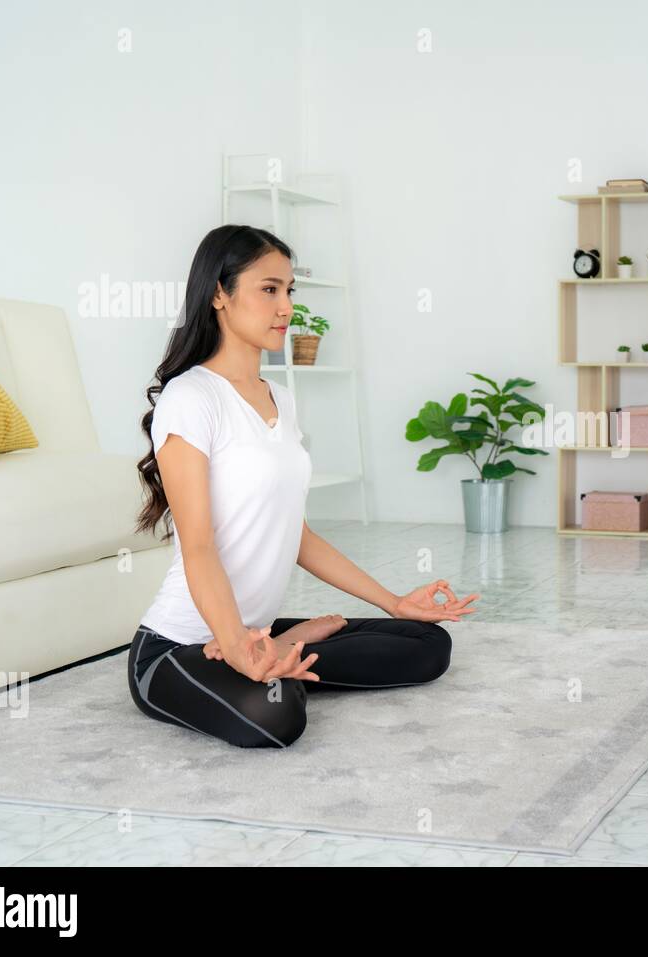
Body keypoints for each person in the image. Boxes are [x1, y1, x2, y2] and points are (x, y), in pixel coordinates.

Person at [130, 224, 478, 748]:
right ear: (219, 294)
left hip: (251, 634)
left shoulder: (280, 400)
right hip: (179, 646)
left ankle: (279, 649)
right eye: (268, 289)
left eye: (289, 290)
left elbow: (298, 535)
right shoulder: (192, 398)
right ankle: (276, 654)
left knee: (428, 644)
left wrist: (394, 603)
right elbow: (198, 547)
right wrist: (237, 647)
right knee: (277, 719)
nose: (286, 307)